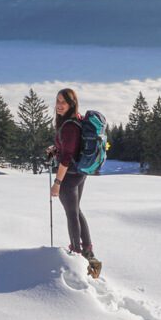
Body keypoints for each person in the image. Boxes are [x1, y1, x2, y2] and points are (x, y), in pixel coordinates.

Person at [47, 88, 101, 278]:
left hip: (69, 175)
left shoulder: (70, 126)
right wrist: (55, 149)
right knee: (76, 211)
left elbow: (67, 157)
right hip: (79, 173)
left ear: (72, 104)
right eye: (58, 101)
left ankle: (77, 254)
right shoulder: (76, 119)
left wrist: (57, 182)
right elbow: (71, 148)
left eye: (64, 102)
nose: (59, 105)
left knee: (72, 214)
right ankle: (88, 251)